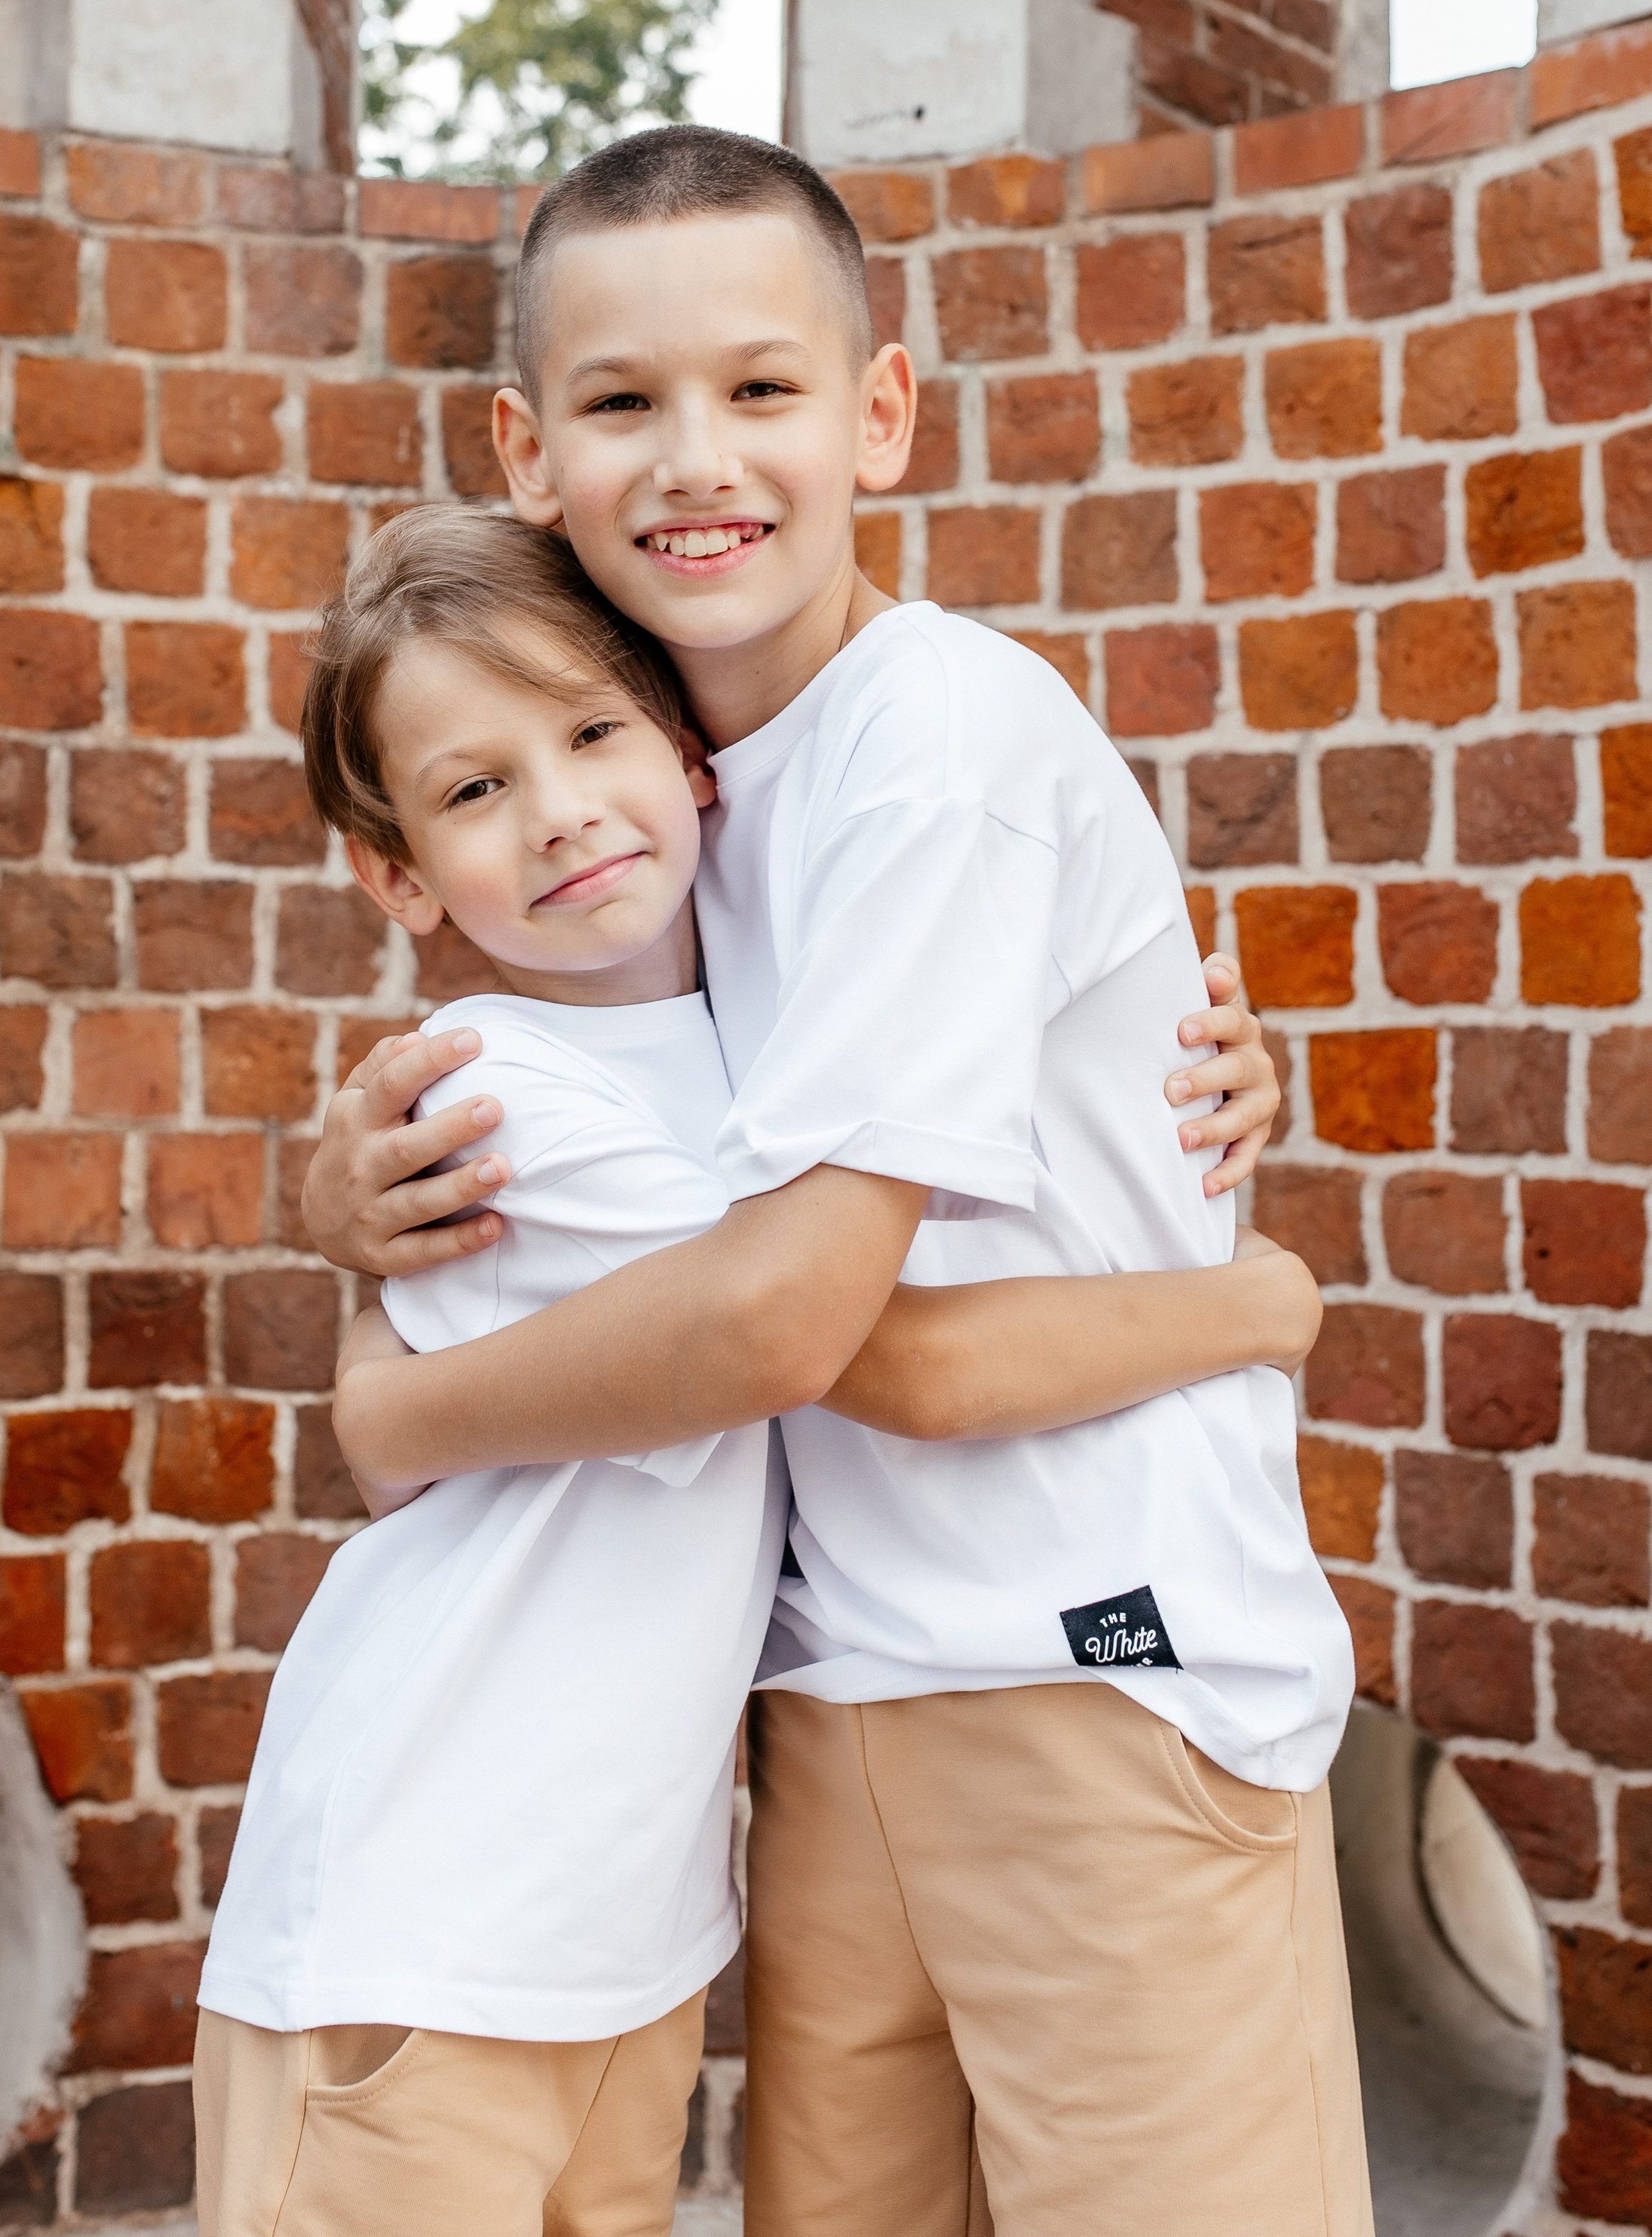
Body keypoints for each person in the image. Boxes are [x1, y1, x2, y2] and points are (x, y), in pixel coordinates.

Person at [308, 128, 1370, 2237]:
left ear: (879, 414)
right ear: (530, 449)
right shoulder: (662, 802)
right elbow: (630, 1161)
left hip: (1093, 1674)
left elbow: (801, 1322)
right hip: (836, 1690)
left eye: (763, 390)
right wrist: (351, 1198)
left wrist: (399, 1408)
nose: (697, 458)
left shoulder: (938, 746)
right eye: (624, 403)